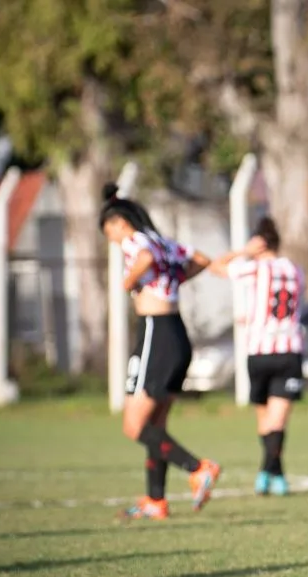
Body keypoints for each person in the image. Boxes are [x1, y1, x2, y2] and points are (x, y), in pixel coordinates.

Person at [100, 183, 222, 520]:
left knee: (134, 426)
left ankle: (199, 468)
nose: (109, 236)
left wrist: (127, 283)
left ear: (119, 223)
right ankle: (156, 500)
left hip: (155, 332)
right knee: (156, 424)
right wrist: (173, 281)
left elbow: (145, 259)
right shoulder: (161, 239)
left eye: (108, 229)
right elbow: (201, 259)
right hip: (176, 334)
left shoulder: (136, 241)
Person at [210, 217, 305, 496]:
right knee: (277, 420)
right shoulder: (296, 270)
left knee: (266, 419)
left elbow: (215, 267)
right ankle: (272, 473)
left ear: (259, 243)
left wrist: (243, 252)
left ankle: (270, 473)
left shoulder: (254, 269)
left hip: (259, 350)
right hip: (289, 349)